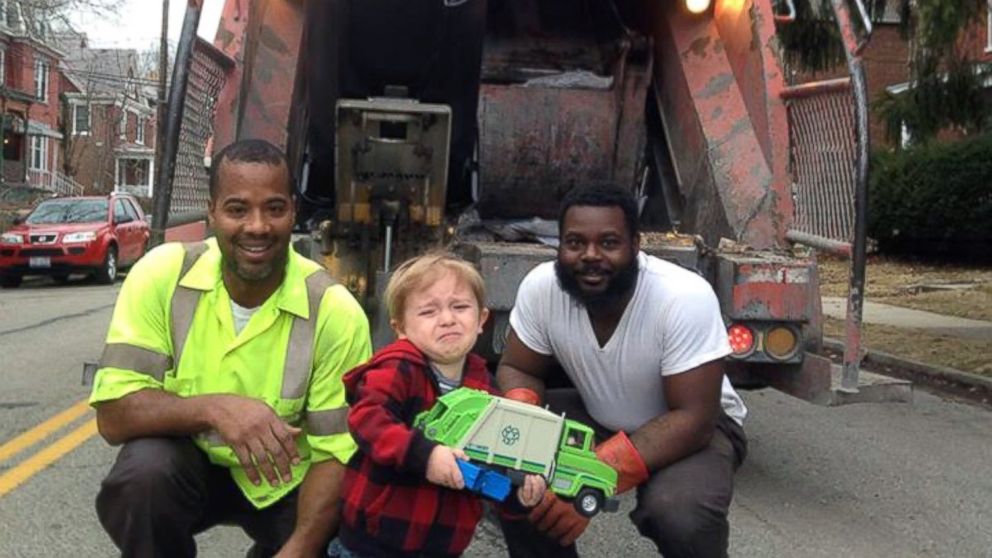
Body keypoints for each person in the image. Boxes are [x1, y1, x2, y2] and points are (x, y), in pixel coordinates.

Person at [89, 139, 372, 558]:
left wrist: (299, 550)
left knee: (356, 526)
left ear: (294, 210)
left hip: (289, 480)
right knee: (142, 475)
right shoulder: (162, 275)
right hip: (188, 464)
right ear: (212, 212)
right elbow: (113, 416)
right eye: (237, 209)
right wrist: (217, 409)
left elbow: (336, 455)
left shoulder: (335, 311)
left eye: (274, 209)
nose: (257, 226)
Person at [497, 183, 748, 558]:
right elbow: (518, 367)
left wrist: (591, 481)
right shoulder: (542, 288)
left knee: (679, 514)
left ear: (636, 244)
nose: (590, 256)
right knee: (508, 471)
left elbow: (694, 418)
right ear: (559, 245)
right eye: (575, 243)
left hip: (693, 425)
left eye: (609, 243)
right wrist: (528, 444)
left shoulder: (683, 297)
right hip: (598, 413)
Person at [328, 252, 546, 558]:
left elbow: (496, 464)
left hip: (443, 546)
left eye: (460, 307)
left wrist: (518, 495)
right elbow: (368, 420)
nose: (447, 319)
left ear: (482, 319)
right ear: (400, 327)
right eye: (429, 312)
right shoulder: (397, 367)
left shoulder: (486, 386)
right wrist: (426, 456)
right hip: (374, 542)